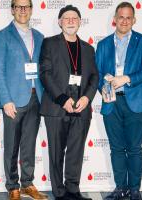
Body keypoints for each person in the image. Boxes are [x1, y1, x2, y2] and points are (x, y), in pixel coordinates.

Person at [39, 5, 99, 200]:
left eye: (75, 18)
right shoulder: (49, 43)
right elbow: (45, 74)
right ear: (59, 22)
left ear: (80, 22)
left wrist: (86, 98)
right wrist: (63, 99)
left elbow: (94, 78)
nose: (71, 21)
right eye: (67, 18)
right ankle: (59, 192)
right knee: (56, 152)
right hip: (57, 107)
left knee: (76, 151)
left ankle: (73, 190)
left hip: (81, 108)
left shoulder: (89, 49)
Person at [95, 2, 142, 200]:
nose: (125, 21)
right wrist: (102, 87)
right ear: (115, 19)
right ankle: (121, 188)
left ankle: (134, 189)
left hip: (136, 102)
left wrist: (125, 79)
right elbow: (97, 74)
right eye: (121, 17)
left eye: (129, 17)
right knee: (116, 148)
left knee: (135, 149)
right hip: (111, 103)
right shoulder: (102, 44)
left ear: (134, 20)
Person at [0, 0, 46, 199]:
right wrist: (5, 100)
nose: (23, 10)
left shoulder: (40, 37)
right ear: (13, 9)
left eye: (27, 6)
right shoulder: (1, 36)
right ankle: (12, 185)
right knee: (12, 146)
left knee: (29, 144)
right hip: (13, 100)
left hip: (36, 98)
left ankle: (27, 183)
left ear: (31, 10)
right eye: (18, 6)